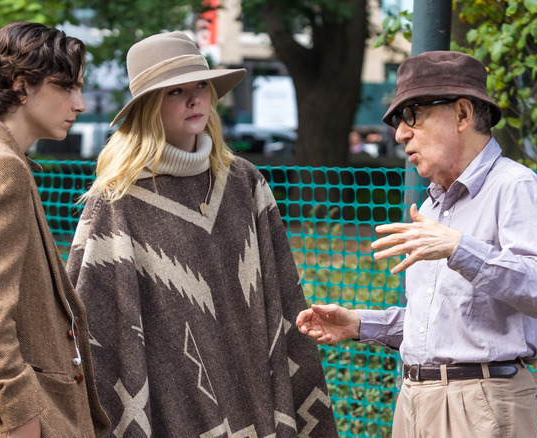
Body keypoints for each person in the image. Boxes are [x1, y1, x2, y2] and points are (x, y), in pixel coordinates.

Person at [66, 31, 338, 437]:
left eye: (201, 86)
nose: (194, 100)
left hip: (256, 394)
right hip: (169, 406)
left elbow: (281, 295)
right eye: (175, 91)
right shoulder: (118, 200)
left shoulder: (244, 183)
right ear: (147, 107)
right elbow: (95, 327)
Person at [296, 51, 537, 437]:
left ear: (462, 114)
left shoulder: (514, 185)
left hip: (480, 403)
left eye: (412, 115)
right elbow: (442, 326)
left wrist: (459, 248)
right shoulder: (432, 206)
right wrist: (358, 323)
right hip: (414, 401)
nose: (400, 133)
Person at [0, 22, 110, 437]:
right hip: (20, 420)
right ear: (21, 86)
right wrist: (22, 413)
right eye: (67, 86)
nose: (79, 104)